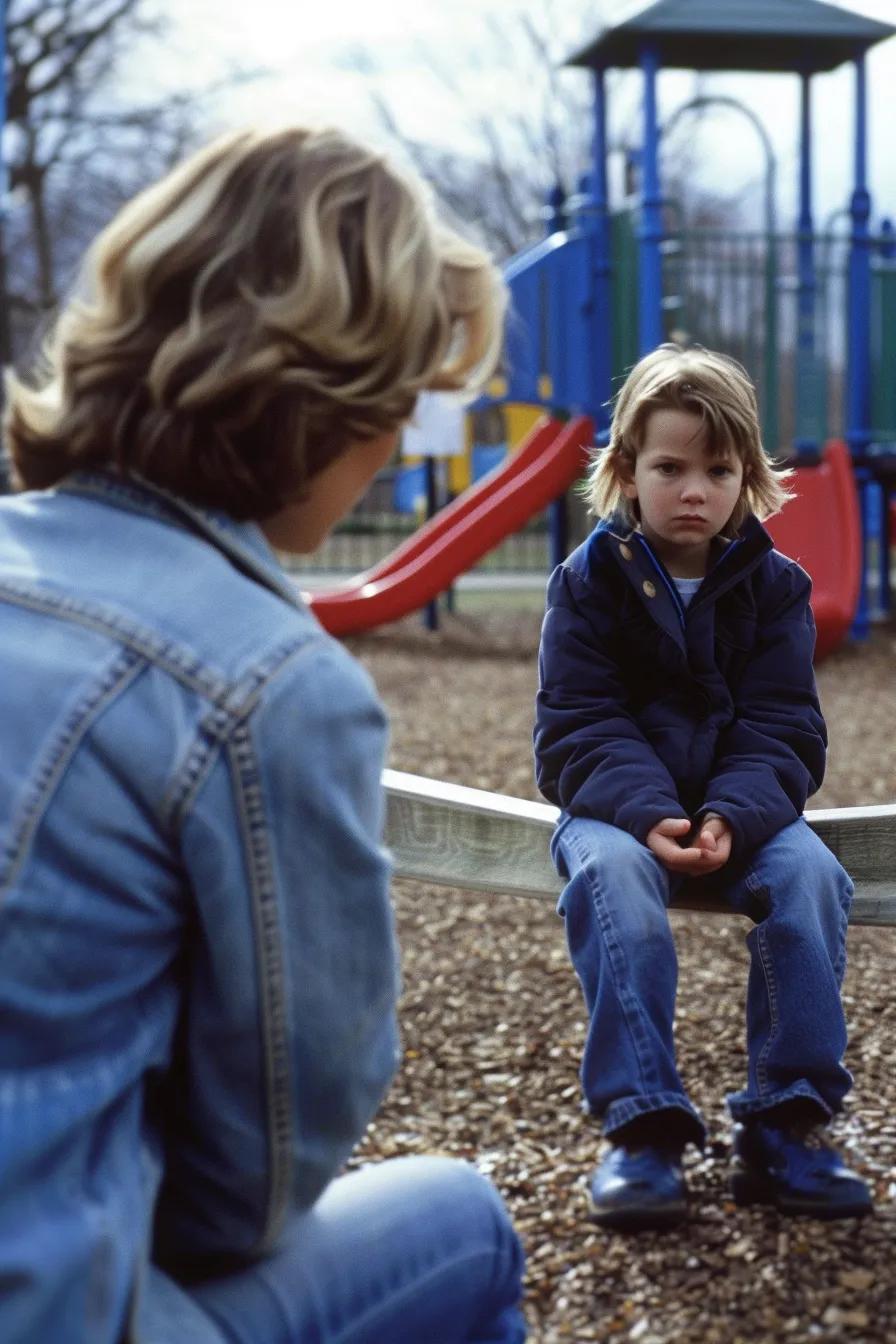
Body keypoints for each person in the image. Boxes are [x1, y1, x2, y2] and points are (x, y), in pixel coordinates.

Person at [0, 126, 527, 1342]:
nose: (395, 442)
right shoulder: (272, 687)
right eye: (396, 401)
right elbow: (254, 1187)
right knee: (464, 1222)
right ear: (321, 402)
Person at [534, 344, 872, 1231]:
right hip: (615, 811)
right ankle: (641, 1127)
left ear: (749, 478)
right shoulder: (587, 585)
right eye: (670, 467)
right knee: (613, 884)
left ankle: (784, 1123)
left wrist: (728, 814)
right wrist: (650, 813)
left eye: (717, 469)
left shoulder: (776, 589)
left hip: (743, 812)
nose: (694, 490)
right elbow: (578, 723)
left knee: (811, 879)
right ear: (626, 472)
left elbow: (783, 726)